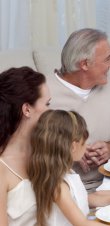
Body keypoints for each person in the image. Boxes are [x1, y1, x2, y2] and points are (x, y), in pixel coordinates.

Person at [47, 28, 110, 192]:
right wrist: (67, 152)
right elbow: (27, 151)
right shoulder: (44, 93)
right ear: (84, 64)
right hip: (64, 191)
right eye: (108, 59)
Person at [28, 110, 110, 226]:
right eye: (84, 143)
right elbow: (82, 223)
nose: (87, 146)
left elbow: (84, 199)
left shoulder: (66, 172)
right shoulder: (59, 186)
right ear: (73, 147)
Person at [0, 67, 50, 226]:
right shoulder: (2, 168)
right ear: (27, 109)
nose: (52, 111)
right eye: (47, 104)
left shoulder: (43, 148)